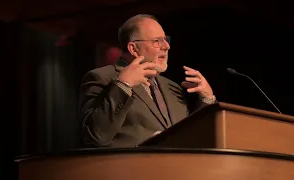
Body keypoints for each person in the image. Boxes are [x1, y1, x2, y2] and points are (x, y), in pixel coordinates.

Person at [79, 14, 217, 147]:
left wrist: (207, 99)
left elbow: (191, 134)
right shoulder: (101, 78)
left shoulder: (171, 87)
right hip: (130, 168)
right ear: (133, 48)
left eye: (165, 39)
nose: (166, 46)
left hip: (175, 168)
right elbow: (96, 135)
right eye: (157, 41)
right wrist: (123, 85)